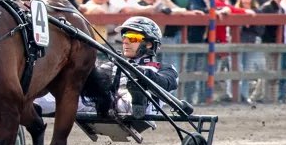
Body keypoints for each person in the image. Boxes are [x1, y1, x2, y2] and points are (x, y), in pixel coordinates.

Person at [34, 17, 178, 131]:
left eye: (133, 38)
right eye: (125, 38)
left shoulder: (163, 68)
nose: (126, 42)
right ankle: (27, 102)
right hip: (106, 103)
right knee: (64, 96)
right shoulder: (114, 63)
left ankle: (137, 99)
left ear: (149, 44)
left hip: (138, 107)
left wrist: (142, 73)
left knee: (130, 95)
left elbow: (166, 83)